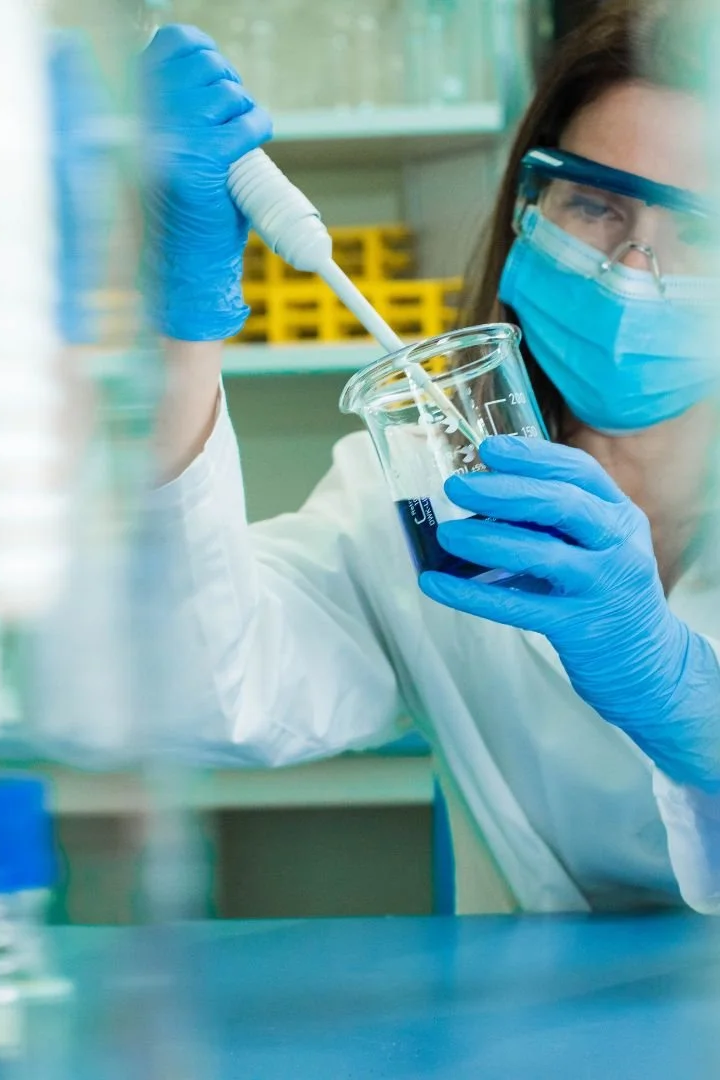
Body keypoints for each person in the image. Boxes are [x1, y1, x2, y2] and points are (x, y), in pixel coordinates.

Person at [139, 1, 720, 914]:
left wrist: (685, 696)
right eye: (595, 203)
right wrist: (185, 333)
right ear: (527, 208)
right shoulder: (422, 495)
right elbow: (205, 691)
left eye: (701, 227)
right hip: (527, 1005)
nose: (632, 267)